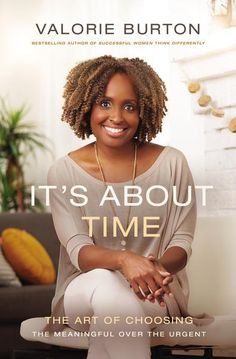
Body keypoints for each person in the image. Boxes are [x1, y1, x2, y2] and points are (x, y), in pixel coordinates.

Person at [47, 55, 197, 359]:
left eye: (129, 106)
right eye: (104, 103)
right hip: (82, 292)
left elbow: (182, 244)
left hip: (156, 291)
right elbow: (80, 251)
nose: (116, 116)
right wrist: (125, 261)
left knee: (115, 311)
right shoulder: (63, 172)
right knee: (104, 282)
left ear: (144, 113)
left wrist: (153, 272)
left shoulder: (172, 164)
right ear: (85, 105)